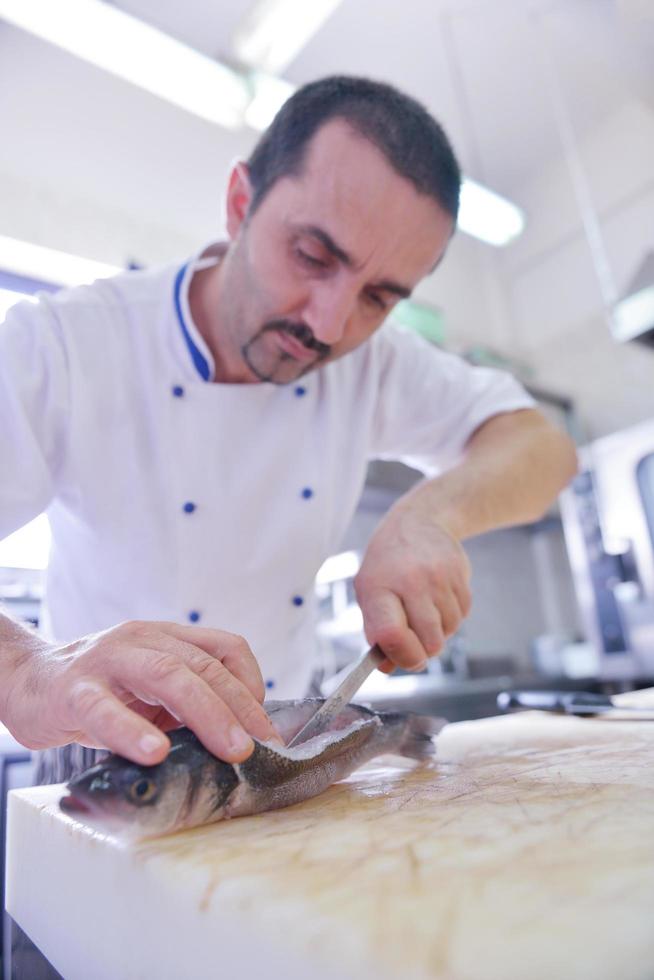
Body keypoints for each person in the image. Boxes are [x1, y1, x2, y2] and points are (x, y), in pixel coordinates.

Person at [0, 76, 577, 771]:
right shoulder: (64, 345)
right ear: (240, 204)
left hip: (288, 749)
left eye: (380, 296)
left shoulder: (374, 362)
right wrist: (30, 671)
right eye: (312, 256)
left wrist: (431, 516)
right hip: (105, 757)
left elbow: (542, 446)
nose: (329, 325)